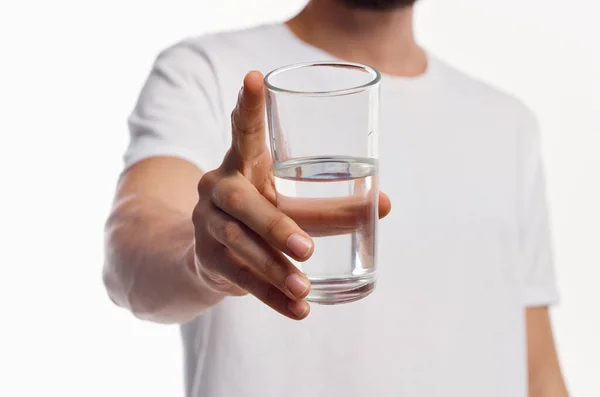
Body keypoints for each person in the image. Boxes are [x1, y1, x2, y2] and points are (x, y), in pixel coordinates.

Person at [103, 0, 569, 396]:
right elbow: (132, 251)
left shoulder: (508, 124)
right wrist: (203, 259)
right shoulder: (203, 71)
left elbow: (538, 369)